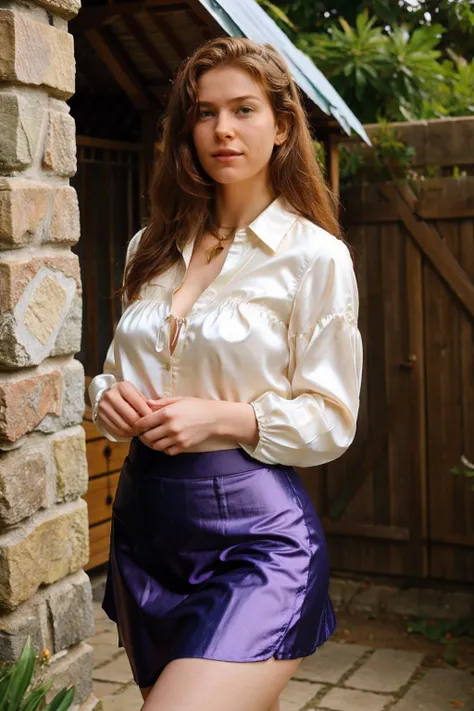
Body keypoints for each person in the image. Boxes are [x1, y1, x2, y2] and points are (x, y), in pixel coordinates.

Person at [88, 36, 363, 711]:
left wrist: (226, 417)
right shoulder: (146, 248)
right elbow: (112, 374)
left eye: (243, 109)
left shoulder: (314, 257)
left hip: (256, 536)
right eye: (205, 113)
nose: (222, 130)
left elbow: (332, 417)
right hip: (147, 529)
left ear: (282, 126)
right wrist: (108, 401)